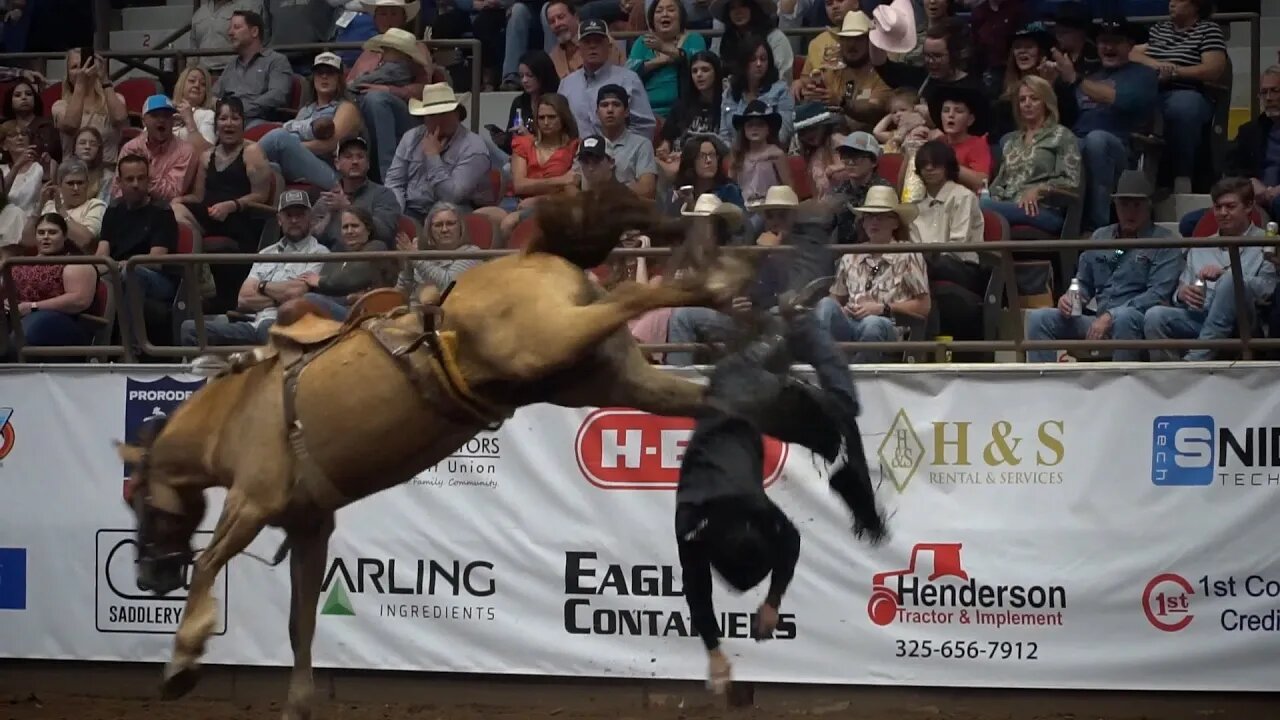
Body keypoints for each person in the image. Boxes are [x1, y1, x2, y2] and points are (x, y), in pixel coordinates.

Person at [675, 233, 887, 693]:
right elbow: (779, 546)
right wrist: (763, 611)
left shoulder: (718, 516)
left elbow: (703, 591)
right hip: (753, 400)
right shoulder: (713, 520)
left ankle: (787, 309)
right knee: (832, 416)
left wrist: (726, 645)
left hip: (749, 398)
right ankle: (784, 311)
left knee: (793, 359)